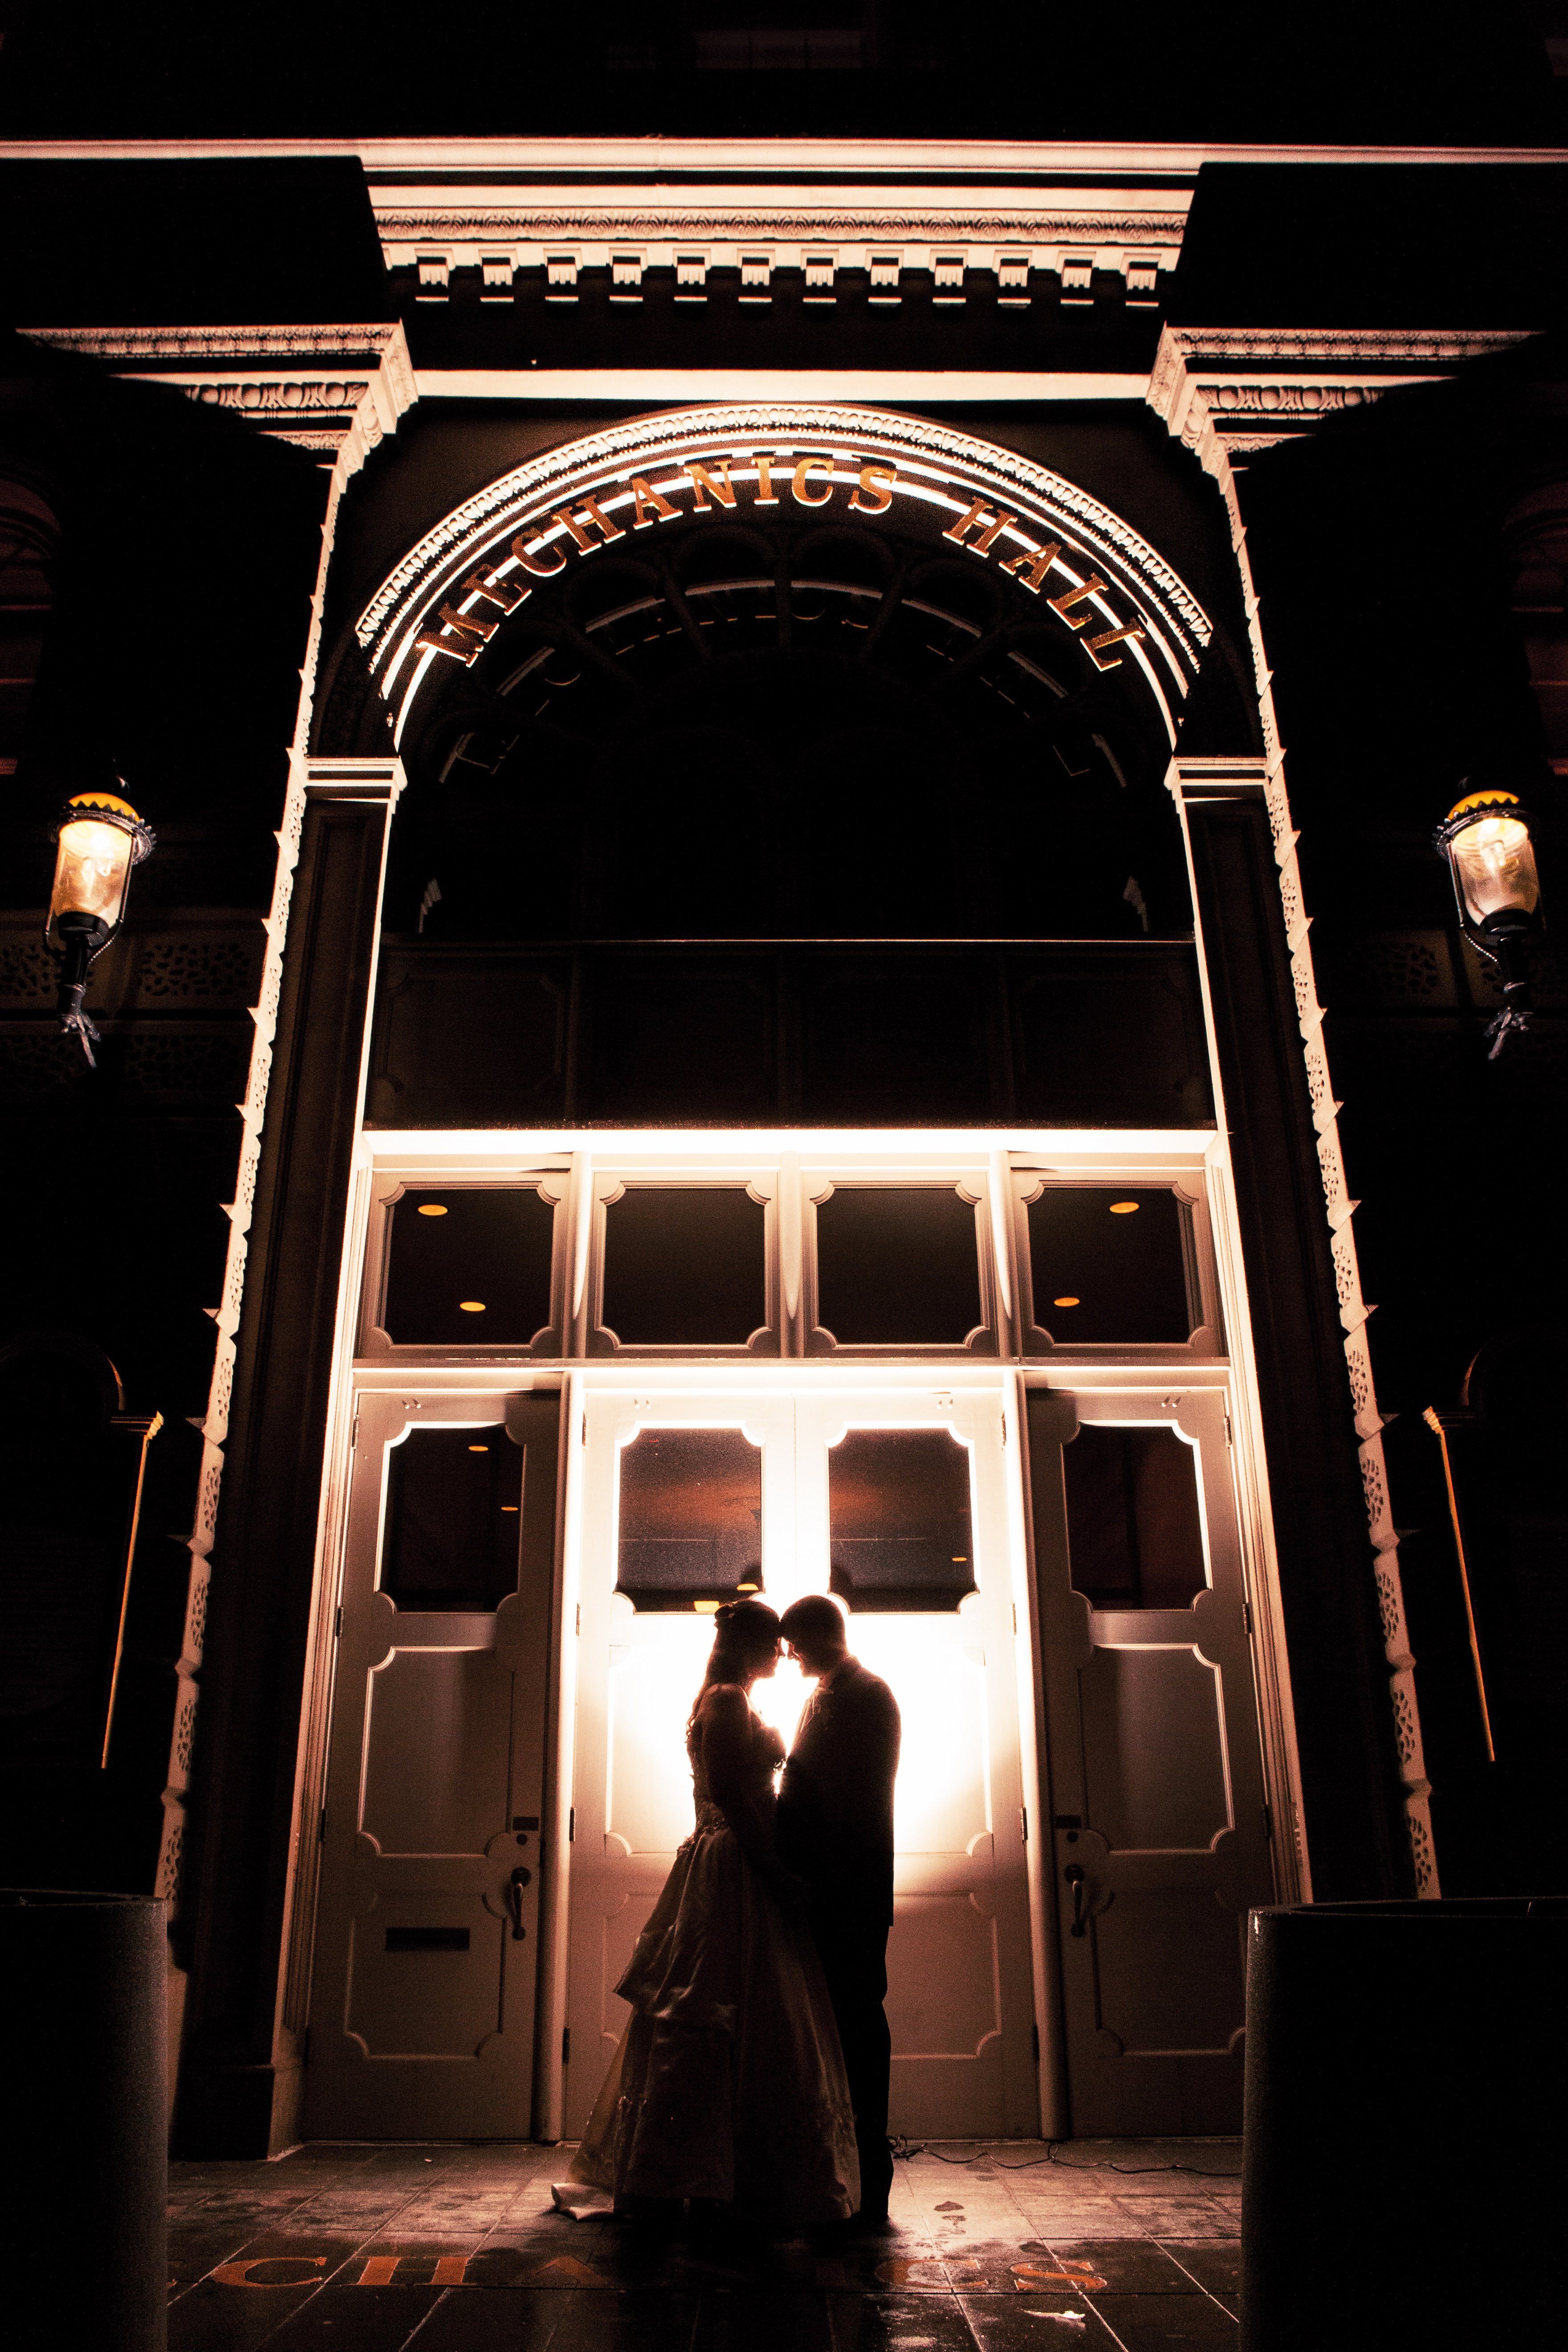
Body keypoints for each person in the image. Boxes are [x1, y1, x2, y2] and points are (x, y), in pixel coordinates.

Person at [569, 1597, 859, 2229]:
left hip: (731, 1855)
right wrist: (776, 1874)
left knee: (743, 2013)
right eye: (774, 1647)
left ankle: (727, 2171)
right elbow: (732, 1795)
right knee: (720, 2007)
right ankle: (709, 2175)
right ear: (752, 1647)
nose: (783, 1658)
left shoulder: (728, 1697)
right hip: (732, 1862)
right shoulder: (727, 1700)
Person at [775, 1593, 901, 2224]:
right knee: (833, 2027)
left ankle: (871, 2171)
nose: (789, 1654)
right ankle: (841, 2165)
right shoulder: (828, 1692)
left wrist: (800, 1858)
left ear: (822, 1636)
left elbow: (855, 1801)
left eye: (795, 1642)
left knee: (857, 2024)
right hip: (826, 1888)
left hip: (848, 1890)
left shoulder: (867, 1696)